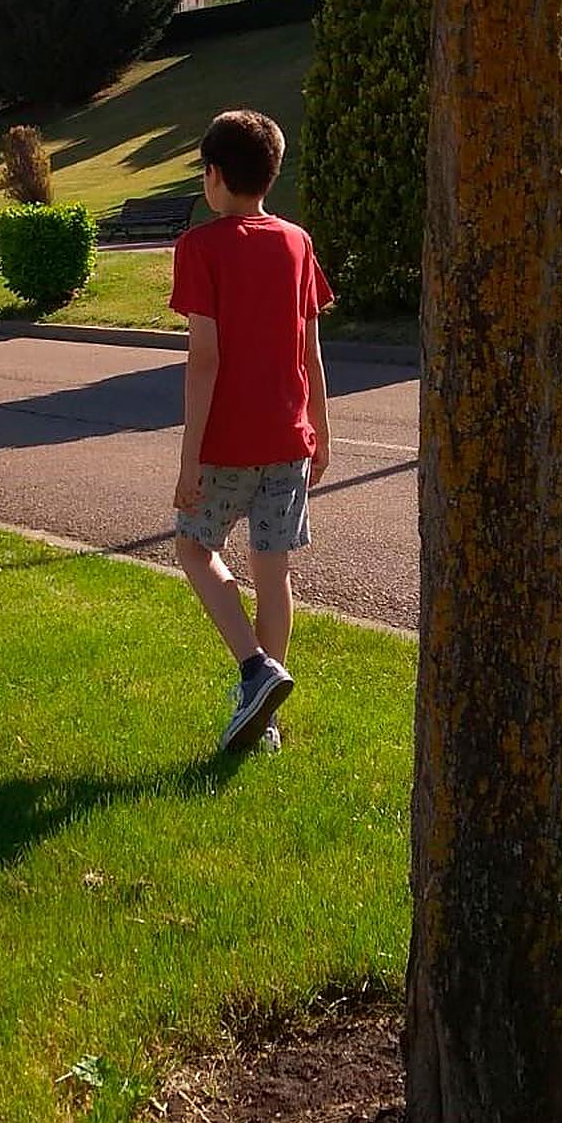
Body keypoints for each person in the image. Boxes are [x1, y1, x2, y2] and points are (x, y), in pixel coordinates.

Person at [171, 108, 333, 754]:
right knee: (275, 572)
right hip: (290, 440)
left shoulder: (201, 247)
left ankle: (253, 668)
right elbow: (311, 346)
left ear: (213, 177)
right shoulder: (297, 242)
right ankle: (263, 722)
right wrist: (322, 425)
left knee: (191, 546)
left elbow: (204, 359)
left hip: (229, 443)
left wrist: (189, 461)